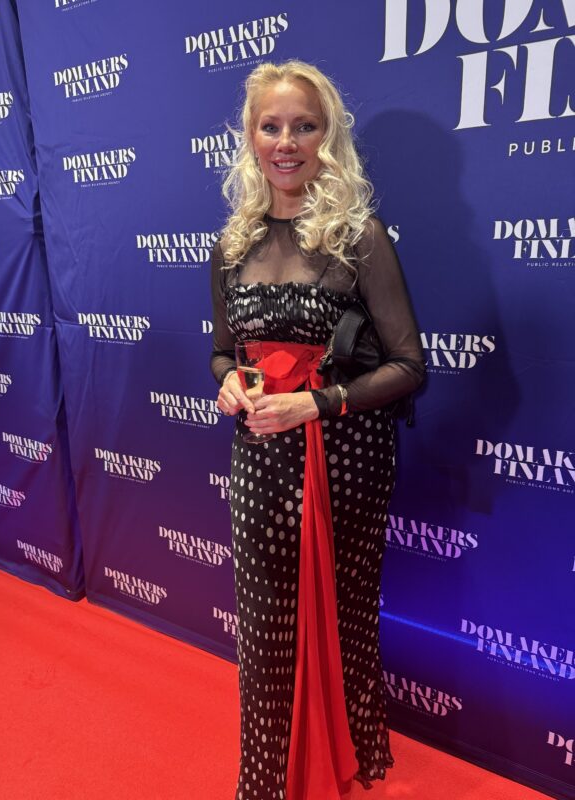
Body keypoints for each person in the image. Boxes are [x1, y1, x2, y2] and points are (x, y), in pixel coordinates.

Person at [210, 60, 425, 800]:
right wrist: (230, 381)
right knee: (267, 628)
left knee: (343, 615)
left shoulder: (359, 237)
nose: (287, 141)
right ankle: (272, 781)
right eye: (271, 126)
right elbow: (221, 351)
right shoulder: (231, 245)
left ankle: (341, 762)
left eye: (304, 126)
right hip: (260, 460)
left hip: (346, 459)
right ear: (250, 137)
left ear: (327, 136)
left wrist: (318, 404)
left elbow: (408, 365)